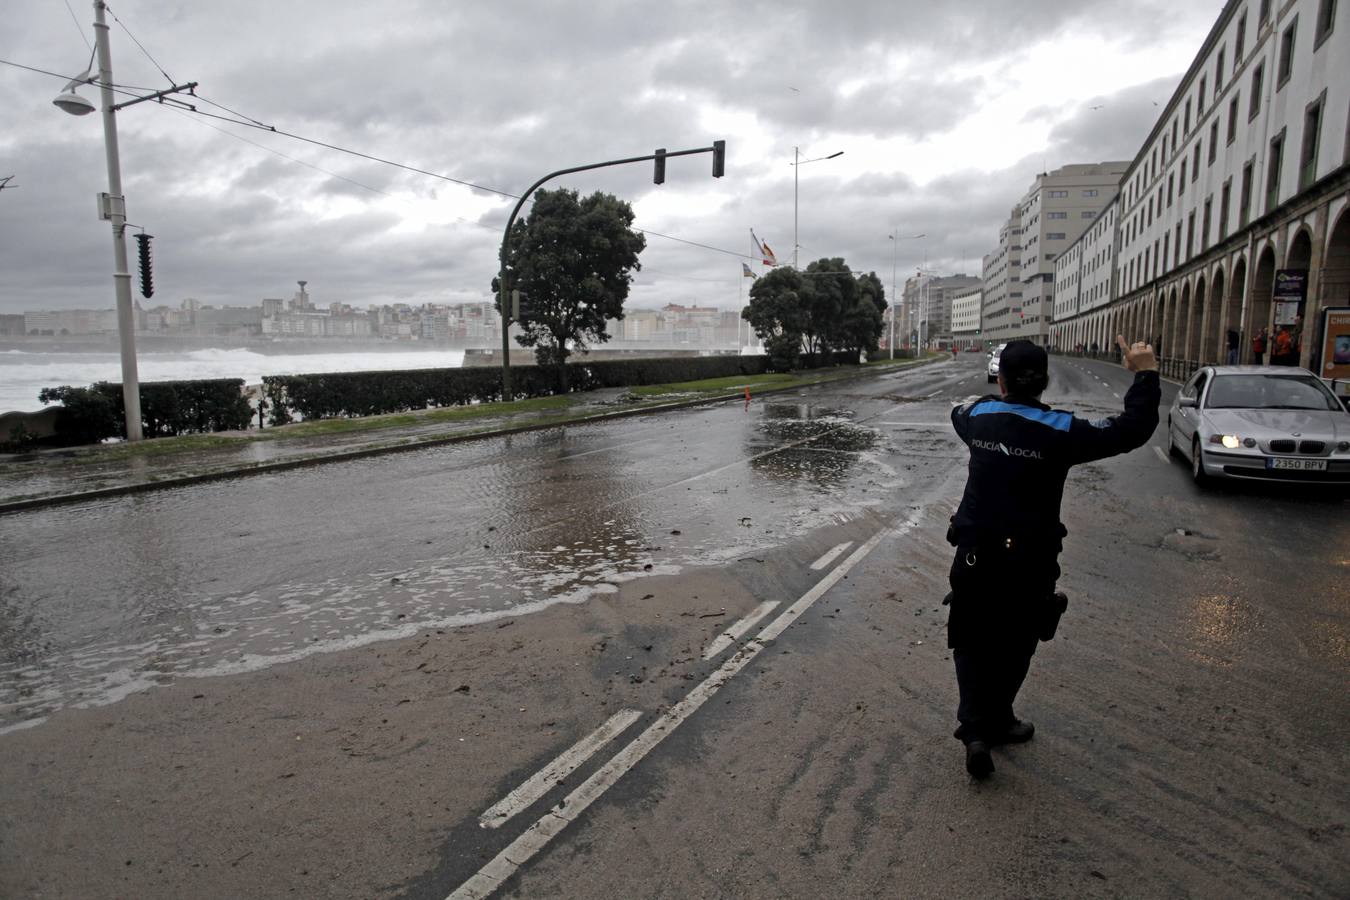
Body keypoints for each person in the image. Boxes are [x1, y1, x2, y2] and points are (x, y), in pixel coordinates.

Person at [945, 336, 1160, 779]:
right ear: (1044, 382)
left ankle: (976, 731)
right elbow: (1131, 430)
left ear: (1000, 379)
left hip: (975, 555)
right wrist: (1145, 373)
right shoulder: (1062, 430)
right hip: (1030, 560)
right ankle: (999, 718)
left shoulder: (977, 418)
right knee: (1019, 637)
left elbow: (958, 412)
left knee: (970, 638)